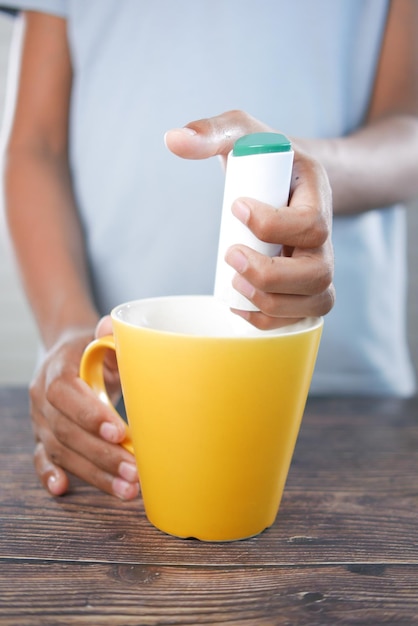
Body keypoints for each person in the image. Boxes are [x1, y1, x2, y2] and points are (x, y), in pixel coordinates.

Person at [2, 1, 417, 501]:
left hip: (351, 397)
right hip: (130, 390)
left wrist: (312, 171)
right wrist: (69, 328)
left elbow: (408, 125)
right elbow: (35, 146)